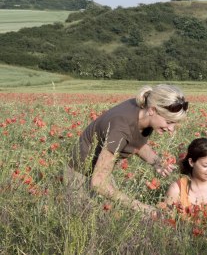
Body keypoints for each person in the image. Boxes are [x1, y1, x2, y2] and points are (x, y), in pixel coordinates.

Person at [66, 84, 189, 216]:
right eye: (169, 122)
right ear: (152, 110)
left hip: (98, 170)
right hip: (80, 177)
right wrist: (143, 208)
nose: (171, 129)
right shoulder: (121, 127)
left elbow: (135, 142)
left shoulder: (143, 112)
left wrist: (156, 162)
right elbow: (98, 183)